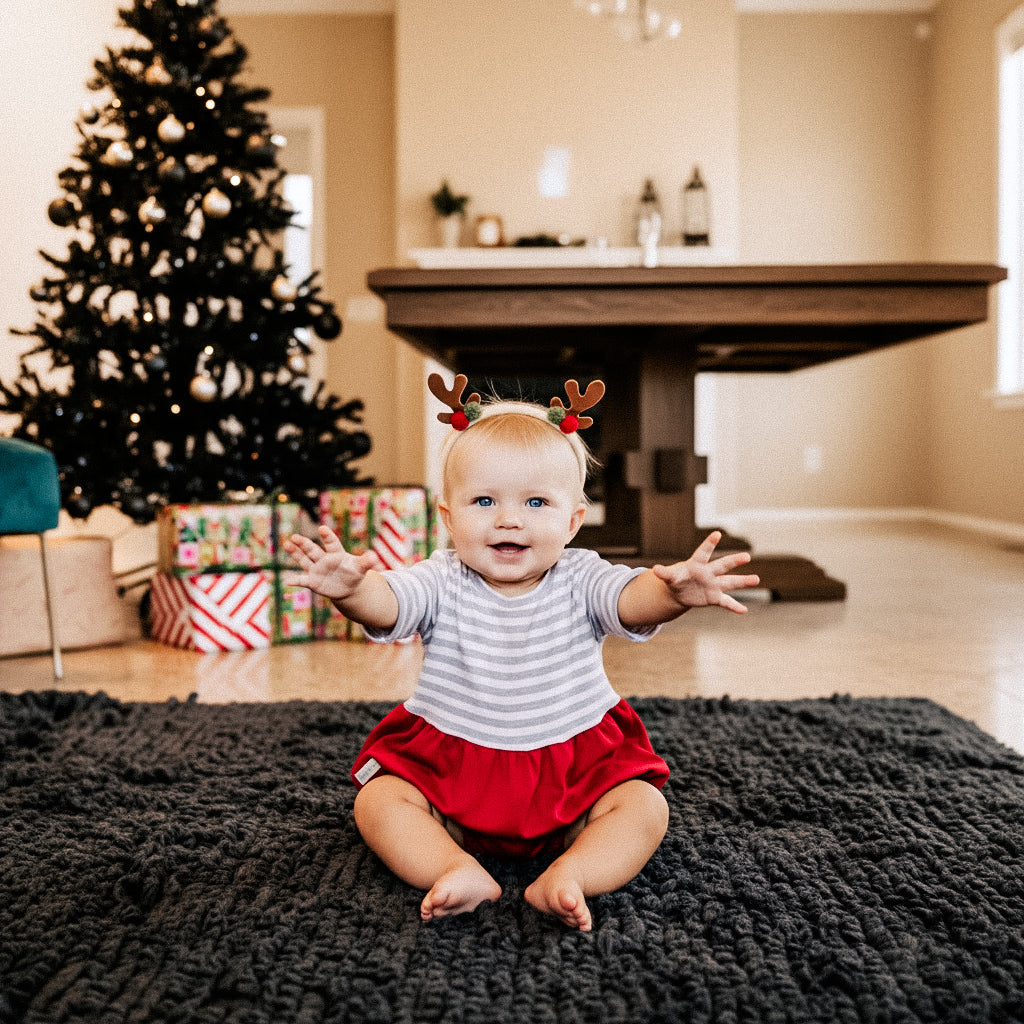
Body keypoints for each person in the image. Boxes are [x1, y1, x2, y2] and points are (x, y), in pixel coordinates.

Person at [284, 374, 760, 932]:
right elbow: (390, 605)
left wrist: (673, 594)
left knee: (644, 807)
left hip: (572, 776)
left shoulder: (581, 577)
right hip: (453, 774)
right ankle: (453, 866)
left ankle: (573, 872)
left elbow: (631, 600)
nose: (508, 519)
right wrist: (353, 591)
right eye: (484, 501)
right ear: (448, 517)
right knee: (378, 801)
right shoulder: (441, 578)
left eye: (536, 502)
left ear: (572, 521)